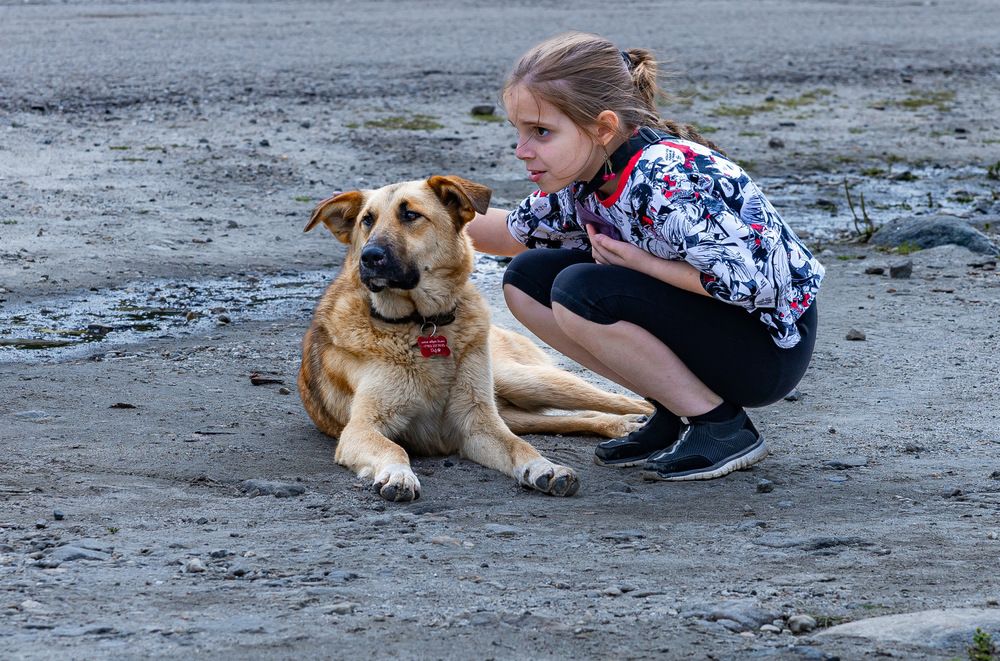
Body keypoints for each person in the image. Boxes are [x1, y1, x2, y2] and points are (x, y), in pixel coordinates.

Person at [465, 31, 824, 481]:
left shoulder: (665, 177)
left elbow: (752, 284)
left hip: (768, 346)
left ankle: (721, 426)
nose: (522, 149)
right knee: (527, 279)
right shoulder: (587, 176)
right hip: (718, 326)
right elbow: (508, 234)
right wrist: (394, 210)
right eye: (518, 132)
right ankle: (675, 409)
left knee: (581, 291)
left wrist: (642, 263)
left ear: (603, 128)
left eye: (541, 132)